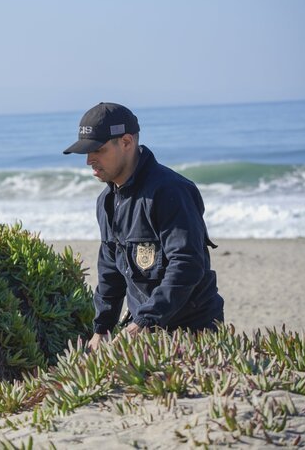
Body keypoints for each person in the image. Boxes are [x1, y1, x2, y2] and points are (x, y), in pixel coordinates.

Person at [63, 103, 224, 350]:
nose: (88, 161)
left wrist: (145, 321)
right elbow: (110, 270)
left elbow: (187, 265)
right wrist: (102, 328)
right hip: (144, 332)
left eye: (97, 149)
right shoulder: (106, 201)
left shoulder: (170, 191)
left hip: (193, 331)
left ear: (126, 142)